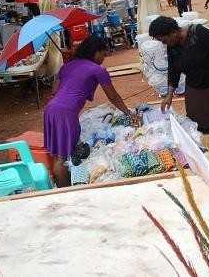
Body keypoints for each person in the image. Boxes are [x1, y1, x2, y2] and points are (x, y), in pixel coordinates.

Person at [44, 37, 139, 186]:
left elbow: (55, 90)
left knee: (58, 155)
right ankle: (66, 191)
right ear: (96, 53)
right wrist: (128, 112)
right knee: (63, 158)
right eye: (103, 54)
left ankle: (63, 187)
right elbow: (112, 96)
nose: (103, 59)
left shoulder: (67, 65)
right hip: (66, 113)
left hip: (51, 109)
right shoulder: (98, 70)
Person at [149, 17, 209, 163]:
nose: (164, 44)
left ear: (173, 32)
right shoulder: (172, 45)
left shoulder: (199, 33)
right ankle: (199, 148)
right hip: (194, 82)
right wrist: (169, 95)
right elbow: (173, 71)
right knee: (193, 117)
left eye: (163, 40)